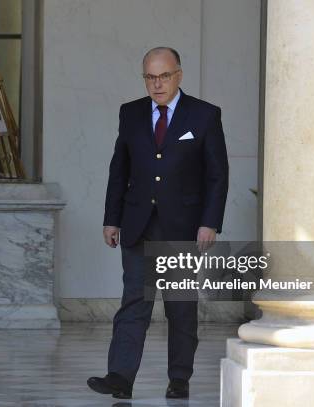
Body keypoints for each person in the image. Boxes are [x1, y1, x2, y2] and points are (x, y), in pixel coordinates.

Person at [87, 47, 228, 399]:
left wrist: (210, 222)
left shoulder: (204, 115)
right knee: (134, 301)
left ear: (178, 75)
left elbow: (217, 175)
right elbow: (118, 169)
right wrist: (111, 218)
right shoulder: (130, 113)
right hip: (137, 222)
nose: (157, 83)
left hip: (182, 225)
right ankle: (120, 376)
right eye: (150, 77)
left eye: (164, 76)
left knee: (180, 307)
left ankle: (179, 378)